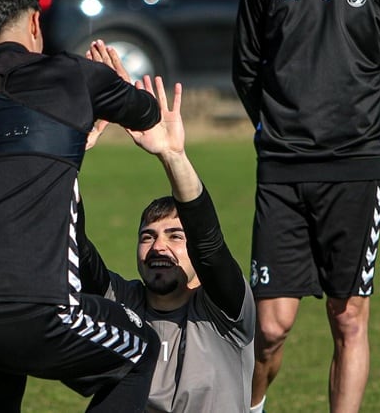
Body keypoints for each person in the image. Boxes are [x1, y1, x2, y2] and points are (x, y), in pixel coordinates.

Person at [0, 0, 163, 412]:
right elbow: (146, 112)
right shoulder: (73, 76)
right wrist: (111, 85)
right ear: (34, 24)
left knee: (2, 373)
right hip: (33, 312)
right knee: (140, 350)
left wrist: (66, 139)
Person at [232, 0, 380, 412]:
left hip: (357, 168)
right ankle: (249, 408)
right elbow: (246, 65)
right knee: (269, 328)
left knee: (347, 317)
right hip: (282, 167)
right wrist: (279, 131)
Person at [81, 42, 255, 413]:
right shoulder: (123, 303)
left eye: (175, 236)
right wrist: (72, 148)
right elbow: (71, 246)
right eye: (148, 236)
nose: (159, 247)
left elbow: (208, 243)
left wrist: (173, 156)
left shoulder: (224, 309)